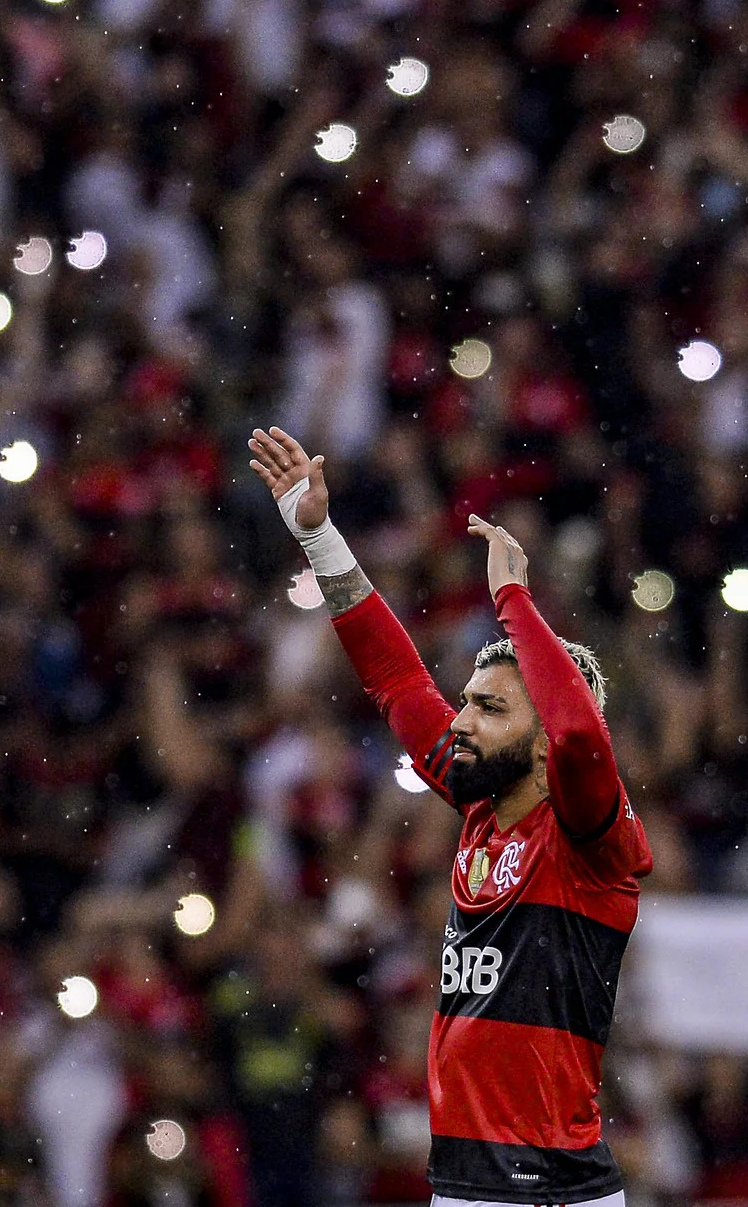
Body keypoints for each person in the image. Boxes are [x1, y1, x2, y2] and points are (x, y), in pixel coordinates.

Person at [248, 426, 652, 1207]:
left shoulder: (590, 840)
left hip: (547, 1193)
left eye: (489, 707)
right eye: (466, 700)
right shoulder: (479, 808)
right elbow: (396, 680)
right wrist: (319, 536)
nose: (459, 719)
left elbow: (576, 731)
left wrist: (512, 600)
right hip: (466, 1182)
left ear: (542, 751)